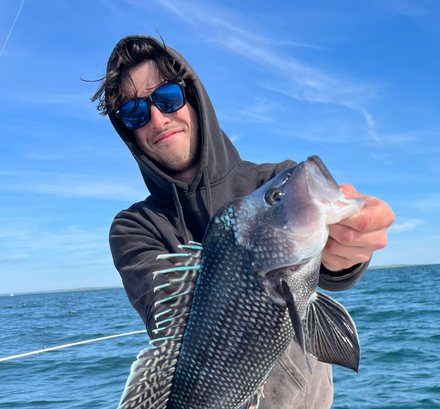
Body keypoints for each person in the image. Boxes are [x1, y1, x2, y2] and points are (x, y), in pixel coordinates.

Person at [91, 35, 394, 409]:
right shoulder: (135, 227)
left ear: (194, 97)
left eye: (168, 97)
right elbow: (171, 322)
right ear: (128, 132)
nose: (157, 118)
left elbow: (328, 268)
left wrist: (346, 252)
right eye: (135, 112)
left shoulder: (274, 179)